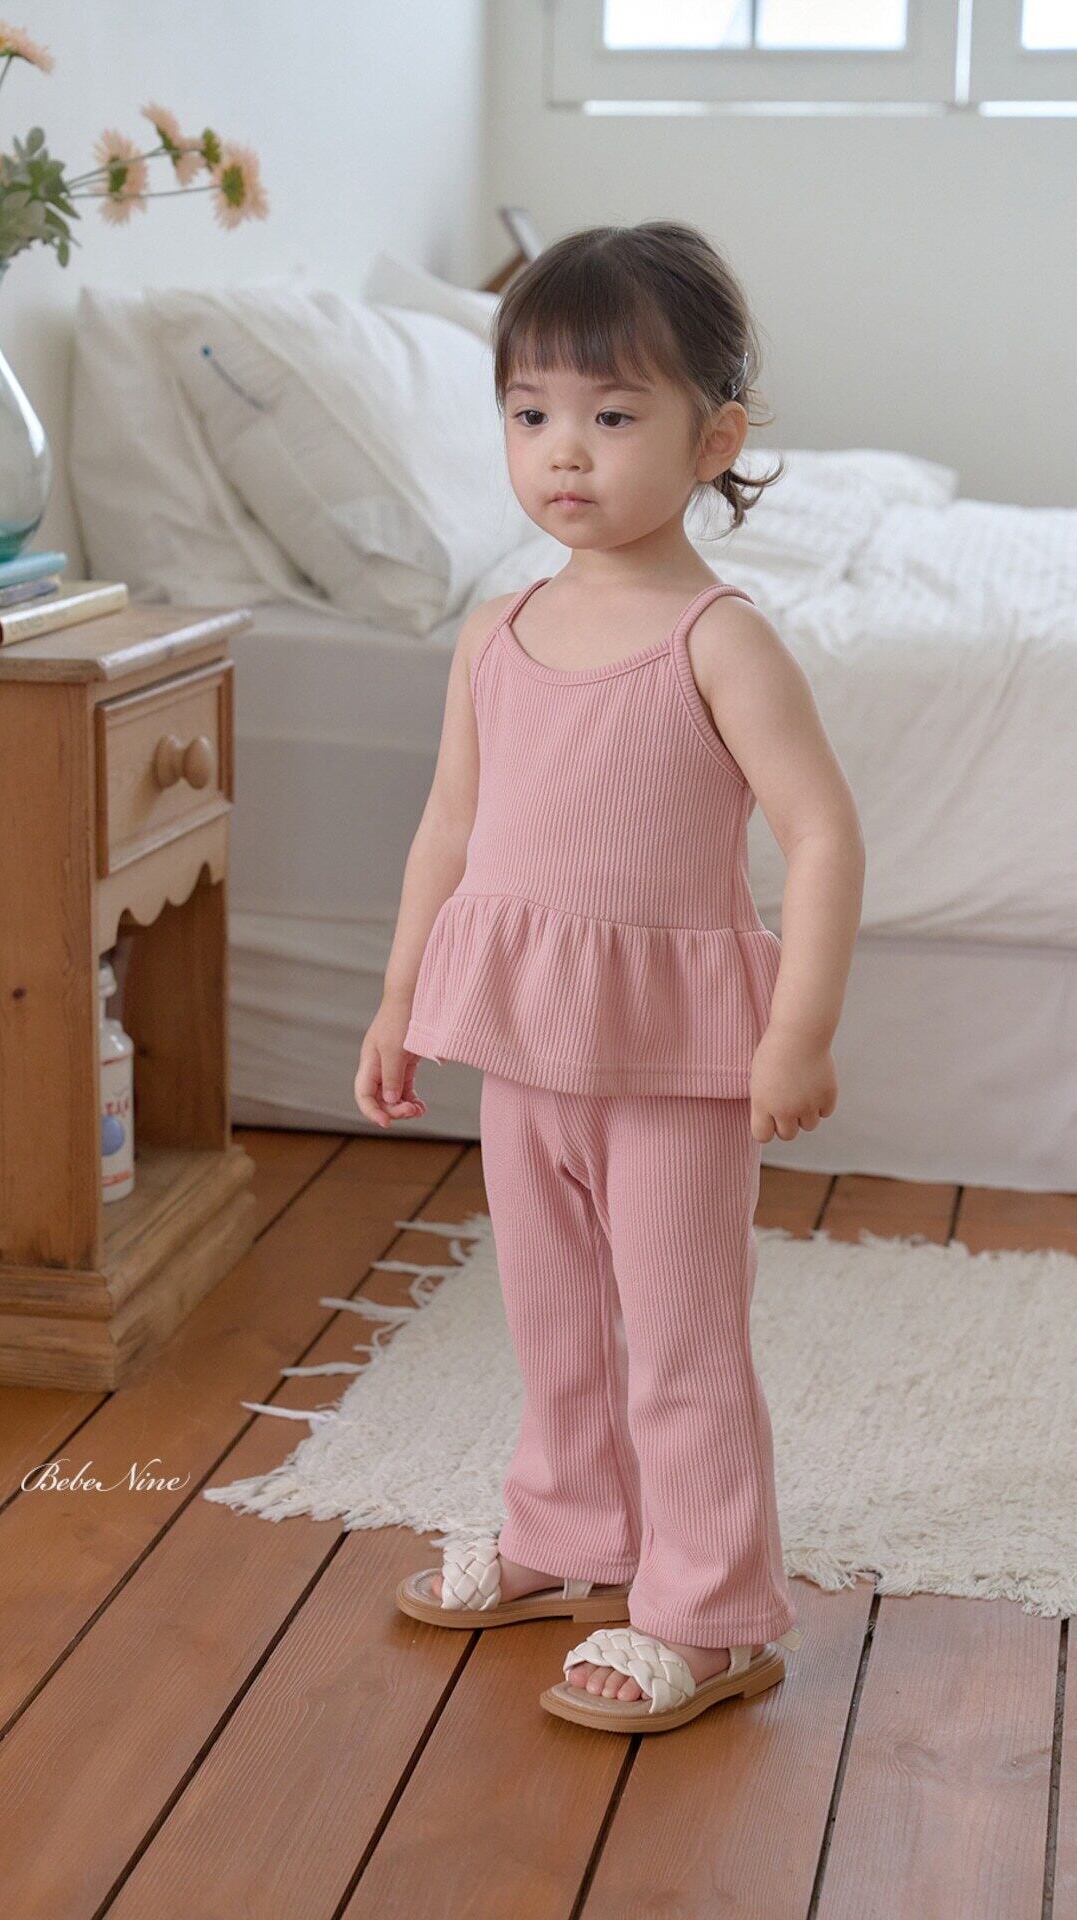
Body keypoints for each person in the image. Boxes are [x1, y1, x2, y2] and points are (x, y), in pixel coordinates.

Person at [357, 221, 865, 1734]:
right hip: (525, 1046)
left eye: (614, 415)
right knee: (550, 1314)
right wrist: (399, 1002)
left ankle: (712, 1612)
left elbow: (824, 833)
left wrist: (799, 1031)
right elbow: (448, 827)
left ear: (715, 439)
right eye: (531, 414)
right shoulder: (496, 631)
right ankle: (572, 1532)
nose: (564, 451)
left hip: (674, 1062)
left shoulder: (720, 640)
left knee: (684, 1344)